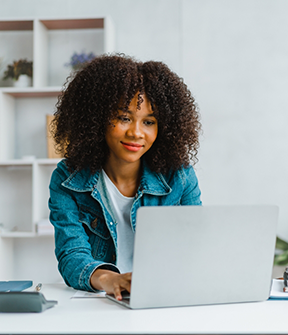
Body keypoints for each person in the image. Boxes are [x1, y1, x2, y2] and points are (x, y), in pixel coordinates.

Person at [48, 54, 202, 300]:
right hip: (99, 301)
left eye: (149, 121)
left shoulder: (180, 177)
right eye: (124, 118)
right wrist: (111, 280)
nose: (136, 133)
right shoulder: (68, 179)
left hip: (163, 296)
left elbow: (196, 245)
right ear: (97, 118)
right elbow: (72, 255)